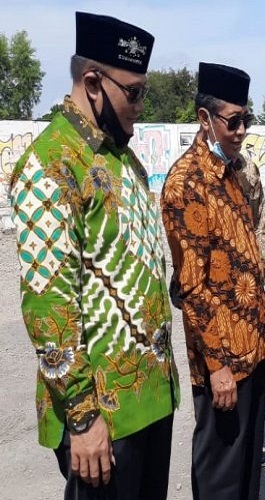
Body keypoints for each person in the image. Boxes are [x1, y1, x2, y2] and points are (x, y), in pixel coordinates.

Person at [9, 12, 179, 500]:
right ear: (92, 82)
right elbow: (47, 306)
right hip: (102, 416)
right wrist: (82, 417)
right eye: (135, 92)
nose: (141, 107)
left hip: (149, 401)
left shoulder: (123, 158)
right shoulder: (51, 163)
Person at [161, 62, 265, 500]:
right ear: (204, 119)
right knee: (221, 471)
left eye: (246, 119)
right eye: (233, 120)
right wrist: (218, 365)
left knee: (245, 468)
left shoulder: (234, 173)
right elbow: (192, 286)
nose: (242, 130)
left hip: (250, 345)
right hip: (221, 356)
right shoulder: (188, 183)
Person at [232, 138, 265, 470]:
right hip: (214, 298)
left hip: (249, 292)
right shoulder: (192, 175)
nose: (238, 131)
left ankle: (249, 451)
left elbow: (261, 224)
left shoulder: (246, 169)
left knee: (251, 373)